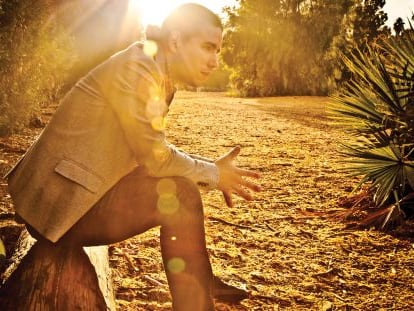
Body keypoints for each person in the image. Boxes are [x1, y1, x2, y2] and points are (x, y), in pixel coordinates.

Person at [5, 3, 261, 310]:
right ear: (176, 41)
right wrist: (214, 174)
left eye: (218, 50)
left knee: (179, 187)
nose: (215, 61)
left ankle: (201, 281)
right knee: (181, 195)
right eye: (208, 47)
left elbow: (153, 151)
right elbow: (157, 159)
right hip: (56, 203)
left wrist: (211, 169)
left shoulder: (153, 68)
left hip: (75, 190)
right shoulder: (137, 69)